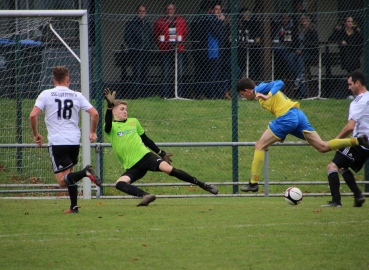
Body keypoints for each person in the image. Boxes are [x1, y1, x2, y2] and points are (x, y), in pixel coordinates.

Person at [236, 77, 369, 192]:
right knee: (322, 146)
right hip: (296, 115)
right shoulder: (259, 93)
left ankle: (253, 183)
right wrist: (281, 134)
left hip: (287, 117)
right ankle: (357, 141)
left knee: (259, 146)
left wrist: (268, 95)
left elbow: (279, 82)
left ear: (247, 91)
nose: (244, 97)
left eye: (243, 94)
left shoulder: (259, 89)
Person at [103, 88, 218, 206]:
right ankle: (146, 195)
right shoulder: (111, 128)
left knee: (170, 170)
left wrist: (161, 152)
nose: (125, 111)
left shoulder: (133, 121)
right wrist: (109, 106)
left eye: (126, 109)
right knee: (119, 184)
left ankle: (202, 184)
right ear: (114, 112)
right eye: (122, 109)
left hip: (145, 156)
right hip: (132, 165)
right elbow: (107, 124)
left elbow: (146, 139)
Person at [29, 66, 101, 213]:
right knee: (69, 175)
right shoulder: (77, 95)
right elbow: (94, 114)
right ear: (68, 80)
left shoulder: (46, 94)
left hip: (57, 141)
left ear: (53, 80)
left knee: (62, 182)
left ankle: (86, 172)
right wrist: (92, 131)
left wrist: (36, 134)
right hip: (74, 140)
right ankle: (73, 207)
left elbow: (32, 115)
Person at [321, 70, 369, 207]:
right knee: (341, 167)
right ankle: (358, 196)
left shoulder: (357, 102)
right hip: (365, 145)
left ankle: (336, 202)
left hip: (360, 142)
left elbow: (349, 127)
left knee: (332, 166)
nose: (349, 88)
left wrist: (334, 142)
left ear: (357, 83)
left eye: (350, 84)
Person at [154, 2, 187, 99]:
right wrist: (162, 44)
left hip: (178, 49)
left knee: (179, 73)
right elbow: (156, 35)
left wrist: (180, 40)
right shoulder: (160, 21)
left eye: (172, 9)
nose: (170, 11)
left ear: (174, 10)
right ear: (165, 10)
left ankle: (178, 94)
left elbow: (185, 32)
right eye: (168, 9)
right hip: (165, 50)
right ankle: (165, 95)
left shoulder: (180, 20)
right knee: (165, 73)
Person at [123, 5, 154, 97]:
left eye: (143, 11)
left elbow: (150, 37)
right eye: (140, 11)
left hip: (146, 53)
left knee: (145, 73)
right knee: (137, 73)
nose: (142, 12)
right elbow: (127, 37)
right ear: (137, 12)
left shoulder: (147, 24)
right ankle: (136, 94)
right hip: (136, 53)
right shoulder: (131, 24)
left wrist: (151, 46)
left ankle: (144, 94)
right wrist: (135, 47)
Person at [286, 14, 319, 98]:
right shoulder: (298, 31)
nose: (303, 20)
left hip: (309, 53)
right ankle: (299, 76)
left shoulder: (312, 31)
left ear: (308, 20)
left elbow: (313, 46)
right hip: (298, 52)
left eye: (305, 19)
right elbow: (293, 43)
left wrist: (303, 51)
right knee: (290, 56)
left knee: (300, 59)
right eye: (302, 19)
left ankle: (300, 85)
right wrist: (296, 50)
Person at [206, 3, 230, 99]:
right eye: (216, 9)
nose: (218, 11)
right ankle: (212, 95)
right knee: (213, 74)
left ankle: (219, 93)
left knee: (219, 73)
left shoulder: (218, 21)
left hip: (220, 51)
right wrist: (221, 22)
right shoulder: (210, 20)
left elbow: (224, 35)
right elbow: (218, 34)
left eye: (220, 9)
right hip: (213, 51)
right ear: (212, 10)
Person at [238, 7, 262, 82]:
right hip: (243, 48)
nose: (247, 15)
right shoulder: (240, 24)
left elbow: (258, 36)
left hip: (253, 47)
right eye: (245, 14)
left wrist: (257, 38)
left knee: (255, 59)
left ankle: (255, 79)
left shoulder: (253, 23)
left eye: (248, 14)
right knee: (244, 59)